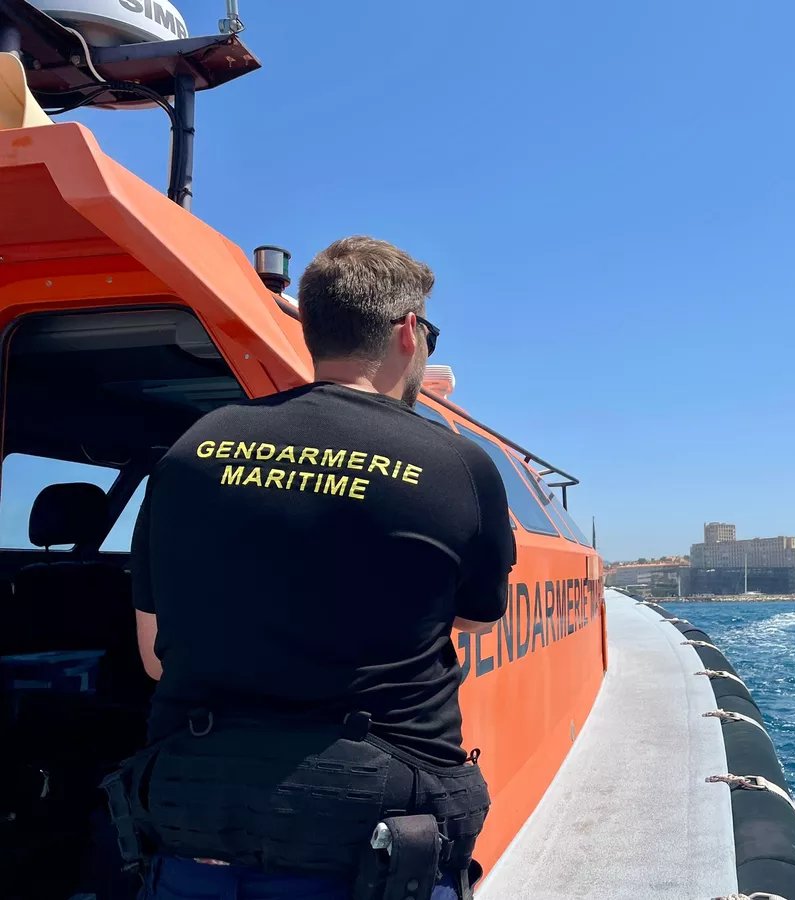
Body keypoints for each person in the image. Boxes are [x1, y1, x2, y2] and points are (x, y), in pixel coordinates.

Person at [108, 236, 516, 900]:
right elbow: (475, 615)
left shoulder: (190, 450)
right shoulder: (457, 467)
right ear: (408, 332)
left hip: (196, 838)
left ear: (314, 329)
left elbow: (156, 657)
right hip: (372, 845)